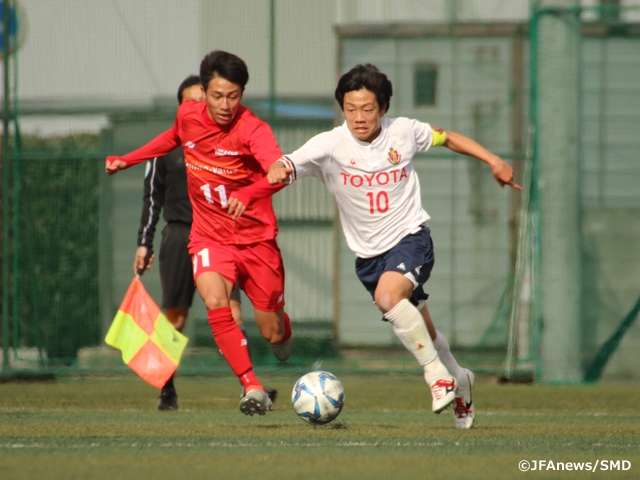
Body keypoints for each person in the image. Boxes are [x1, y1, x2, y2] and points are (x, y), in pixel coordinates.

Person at [265, 64, 521, 429]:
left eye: (367, 108)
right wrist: (278, 167)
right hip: (369, 258)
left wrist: (494, 161)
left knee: (389, 298)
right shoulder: (329, 144)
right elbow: (288, 162)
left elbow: (447, 137)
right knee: (425, 330)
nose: (358, 117)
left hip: (411, 238)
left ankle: (436, 377)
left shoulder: (404, 131)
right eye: (350, 108)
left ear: (382, 108)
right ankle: (460, 379)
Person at [107, 50, 293, 417]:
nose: (225, 104)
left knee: (272, 331)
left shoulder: (253, 129)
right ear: (204, 92)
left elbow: (277, 169)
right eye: (217, 95)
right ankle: (250, 385)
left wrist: (258, 185)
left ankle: (281, 329)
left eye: (234, 96)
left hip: (256, 240)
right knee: (213, 302)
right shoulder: (188, 116)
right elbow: (169, 139)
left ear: (242, 94)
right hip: (207, 236)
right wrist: (128, 159)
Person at [134, 75, 269, 410]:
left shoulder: (229, 141)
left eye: (201, 99)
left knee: (233, 312)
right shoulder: (166, 149)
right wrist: (144, 243)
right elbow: (152, 198)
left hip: (221, 238)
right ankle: (166, 389)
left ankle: (249, 387)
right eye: (190, 101)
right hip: (180, 236)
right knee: (175, 318)